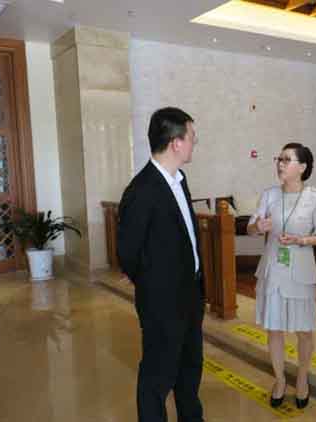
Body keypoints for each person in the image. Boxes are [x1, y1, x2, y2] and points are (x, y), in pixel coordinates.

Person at [117, 107, 204, 422]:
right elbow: (128, 253)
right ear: (176, 143)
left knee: (190, 370)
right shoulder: (142, 190)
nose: (195, 143)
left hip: (190, 295)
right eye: (192, 137)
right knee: (157, 376)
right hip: (162, 303)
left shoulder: (179, 179)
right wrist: (156, 286)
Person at [247, 142, 316, 409]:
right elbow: (250, 228)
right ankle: (280, 379)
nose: (280, 164)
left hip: (301, 271)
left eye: (286, 160)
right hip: (273, 268)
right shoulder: (269, 195)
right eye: (279, 159)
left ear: (302, 167)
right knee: (274, 328)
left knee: (304, 331)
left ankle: (302, 377)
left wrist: (300, 240)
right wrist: (258, 226)